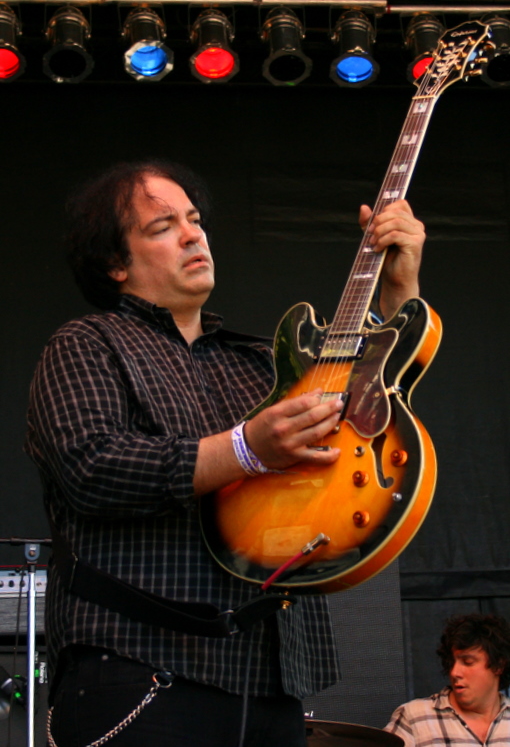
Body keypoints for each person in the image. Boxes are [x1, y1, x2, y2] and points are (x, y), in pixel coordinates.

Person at [25, 159, 426, 747]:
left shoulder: (265, 362)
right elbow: (93, 469)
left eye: (194, 219)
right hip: (140, 668)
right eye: (162, 227)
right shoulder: (86, 344)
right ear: (115, 263)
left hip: (272, 679)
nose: (193, 234)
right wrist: (247, 448)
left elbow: (372, 426)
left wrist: (399, 290)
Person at [385, 614, 510, 747]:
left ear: (498, 666)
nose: (454, 672)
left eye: (467, 662)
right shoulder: (413, 717)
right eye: (452, 663)